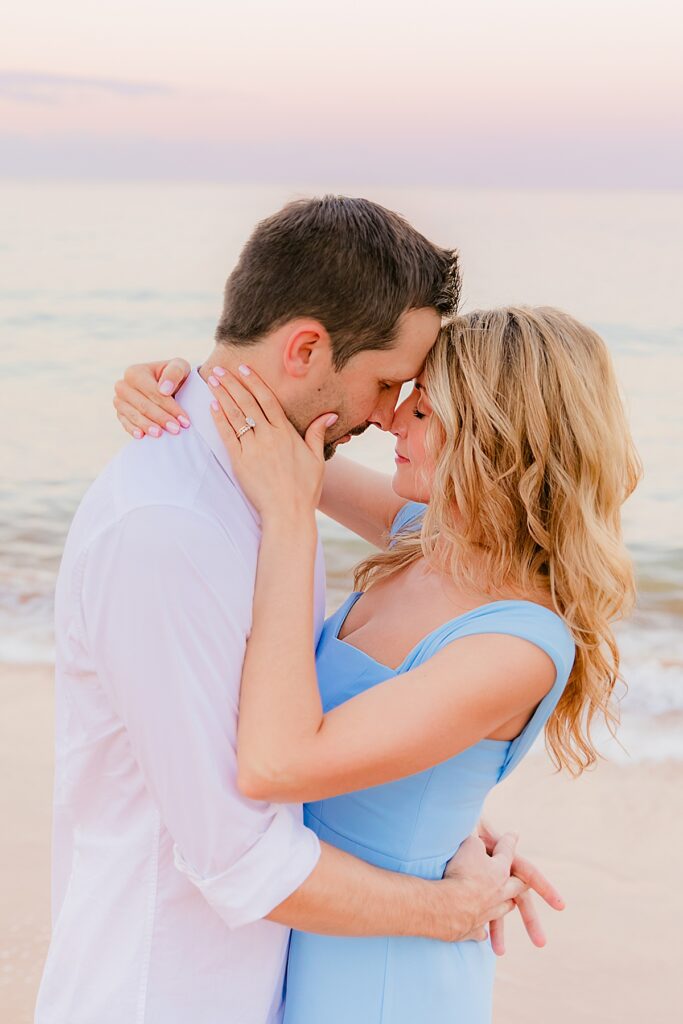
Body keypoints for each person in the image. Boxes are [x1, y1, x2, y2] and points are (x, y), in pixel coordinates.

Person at [37, 198, 556, 1024]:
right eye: (389, 384)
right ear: (308, 349)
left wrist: (440, 806)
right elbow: (237, 853)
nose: (391, 415)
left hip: (264, 982)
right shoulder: (169, 530)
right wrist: (446, 910)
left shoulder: (277, 479)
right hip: (164, 990)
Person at [118, 304, 639, 1022]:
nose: (392, 421)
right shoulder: (430, 535)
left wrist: (290, 522)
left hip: (385, 978)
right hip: (313, 929)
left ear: (494, 440)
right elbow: (267, 446)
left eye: (422, 410)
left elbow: (274, 764)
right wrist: (177, 389)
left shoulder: (515, 646)